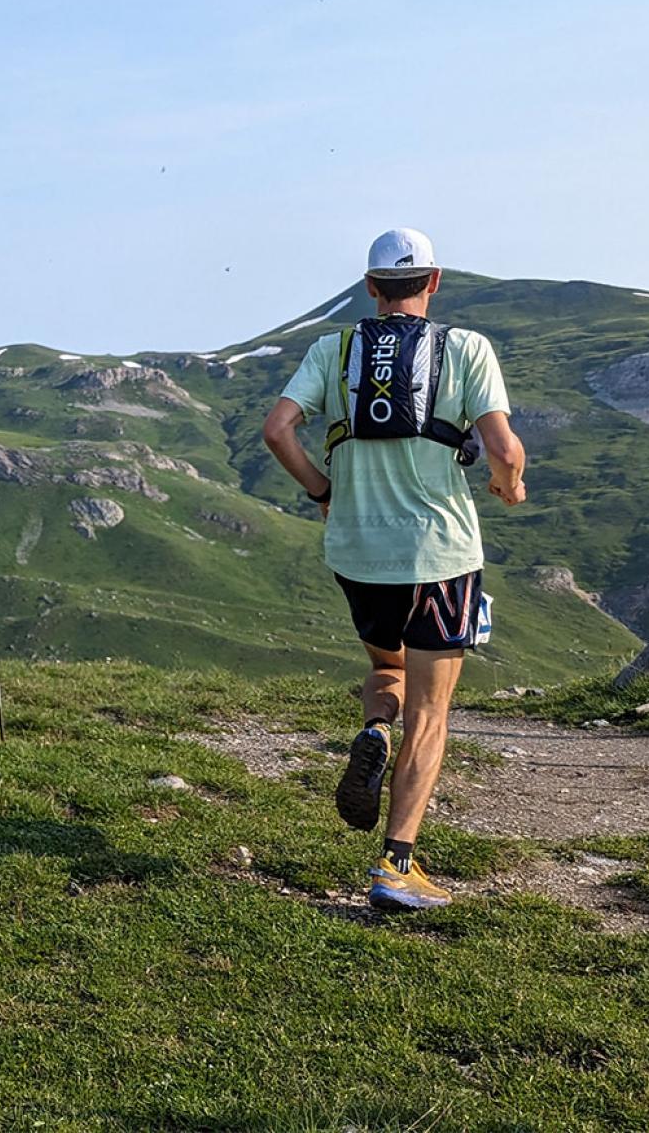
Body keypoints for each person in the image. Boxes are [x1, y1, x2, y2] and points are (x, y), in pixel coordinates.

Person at [262, 228, 526, 911]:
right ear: (433, 283)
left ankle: (375, 729)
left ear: (372, 288)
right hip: (439, 555)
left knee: (388, 670)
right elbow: (502, 445)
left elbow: (276, 429)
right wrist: (510, 484)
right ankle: (395, 865)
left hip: (356, 551)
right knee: (432, 711)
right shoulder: (465, 349)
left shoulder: (333, 350)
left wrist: (324, 493)